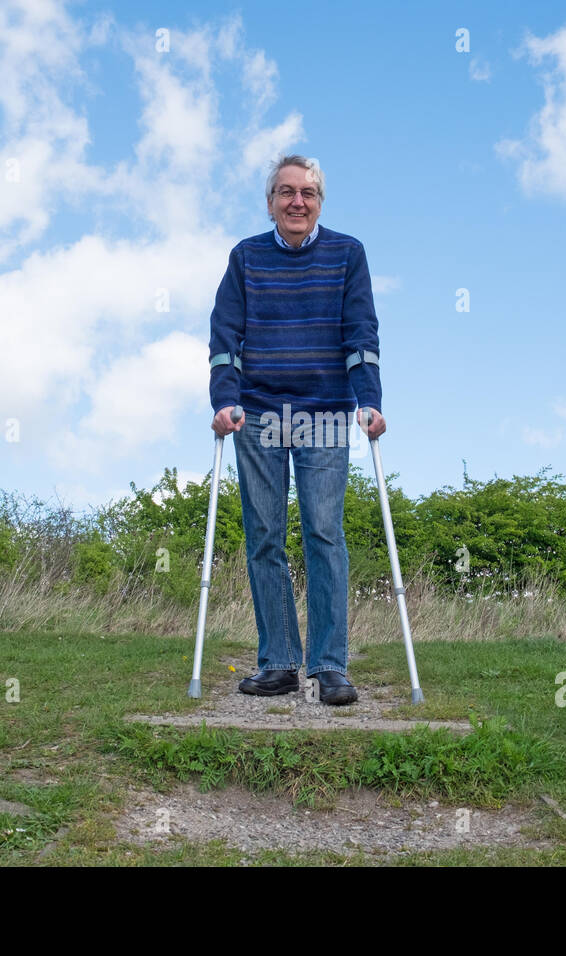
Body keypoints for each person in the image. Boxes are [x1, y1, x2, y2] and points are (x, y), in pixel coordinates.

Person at [207, 154, 385, 706]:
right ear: (270, 202)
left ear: (320, 201)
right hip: (257, 412)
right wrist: (225, 400)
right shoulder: (245, 258)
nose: (297, 202)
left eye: (307, 192)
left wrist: (370, 402)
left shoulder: (347, 254)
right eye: (286, 192)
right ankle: (279, 663)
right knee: (264, 537)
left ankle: (330, 665)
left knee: (324, 534)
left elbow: (360, 333)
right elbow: (224, 337)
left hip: (325, 412)